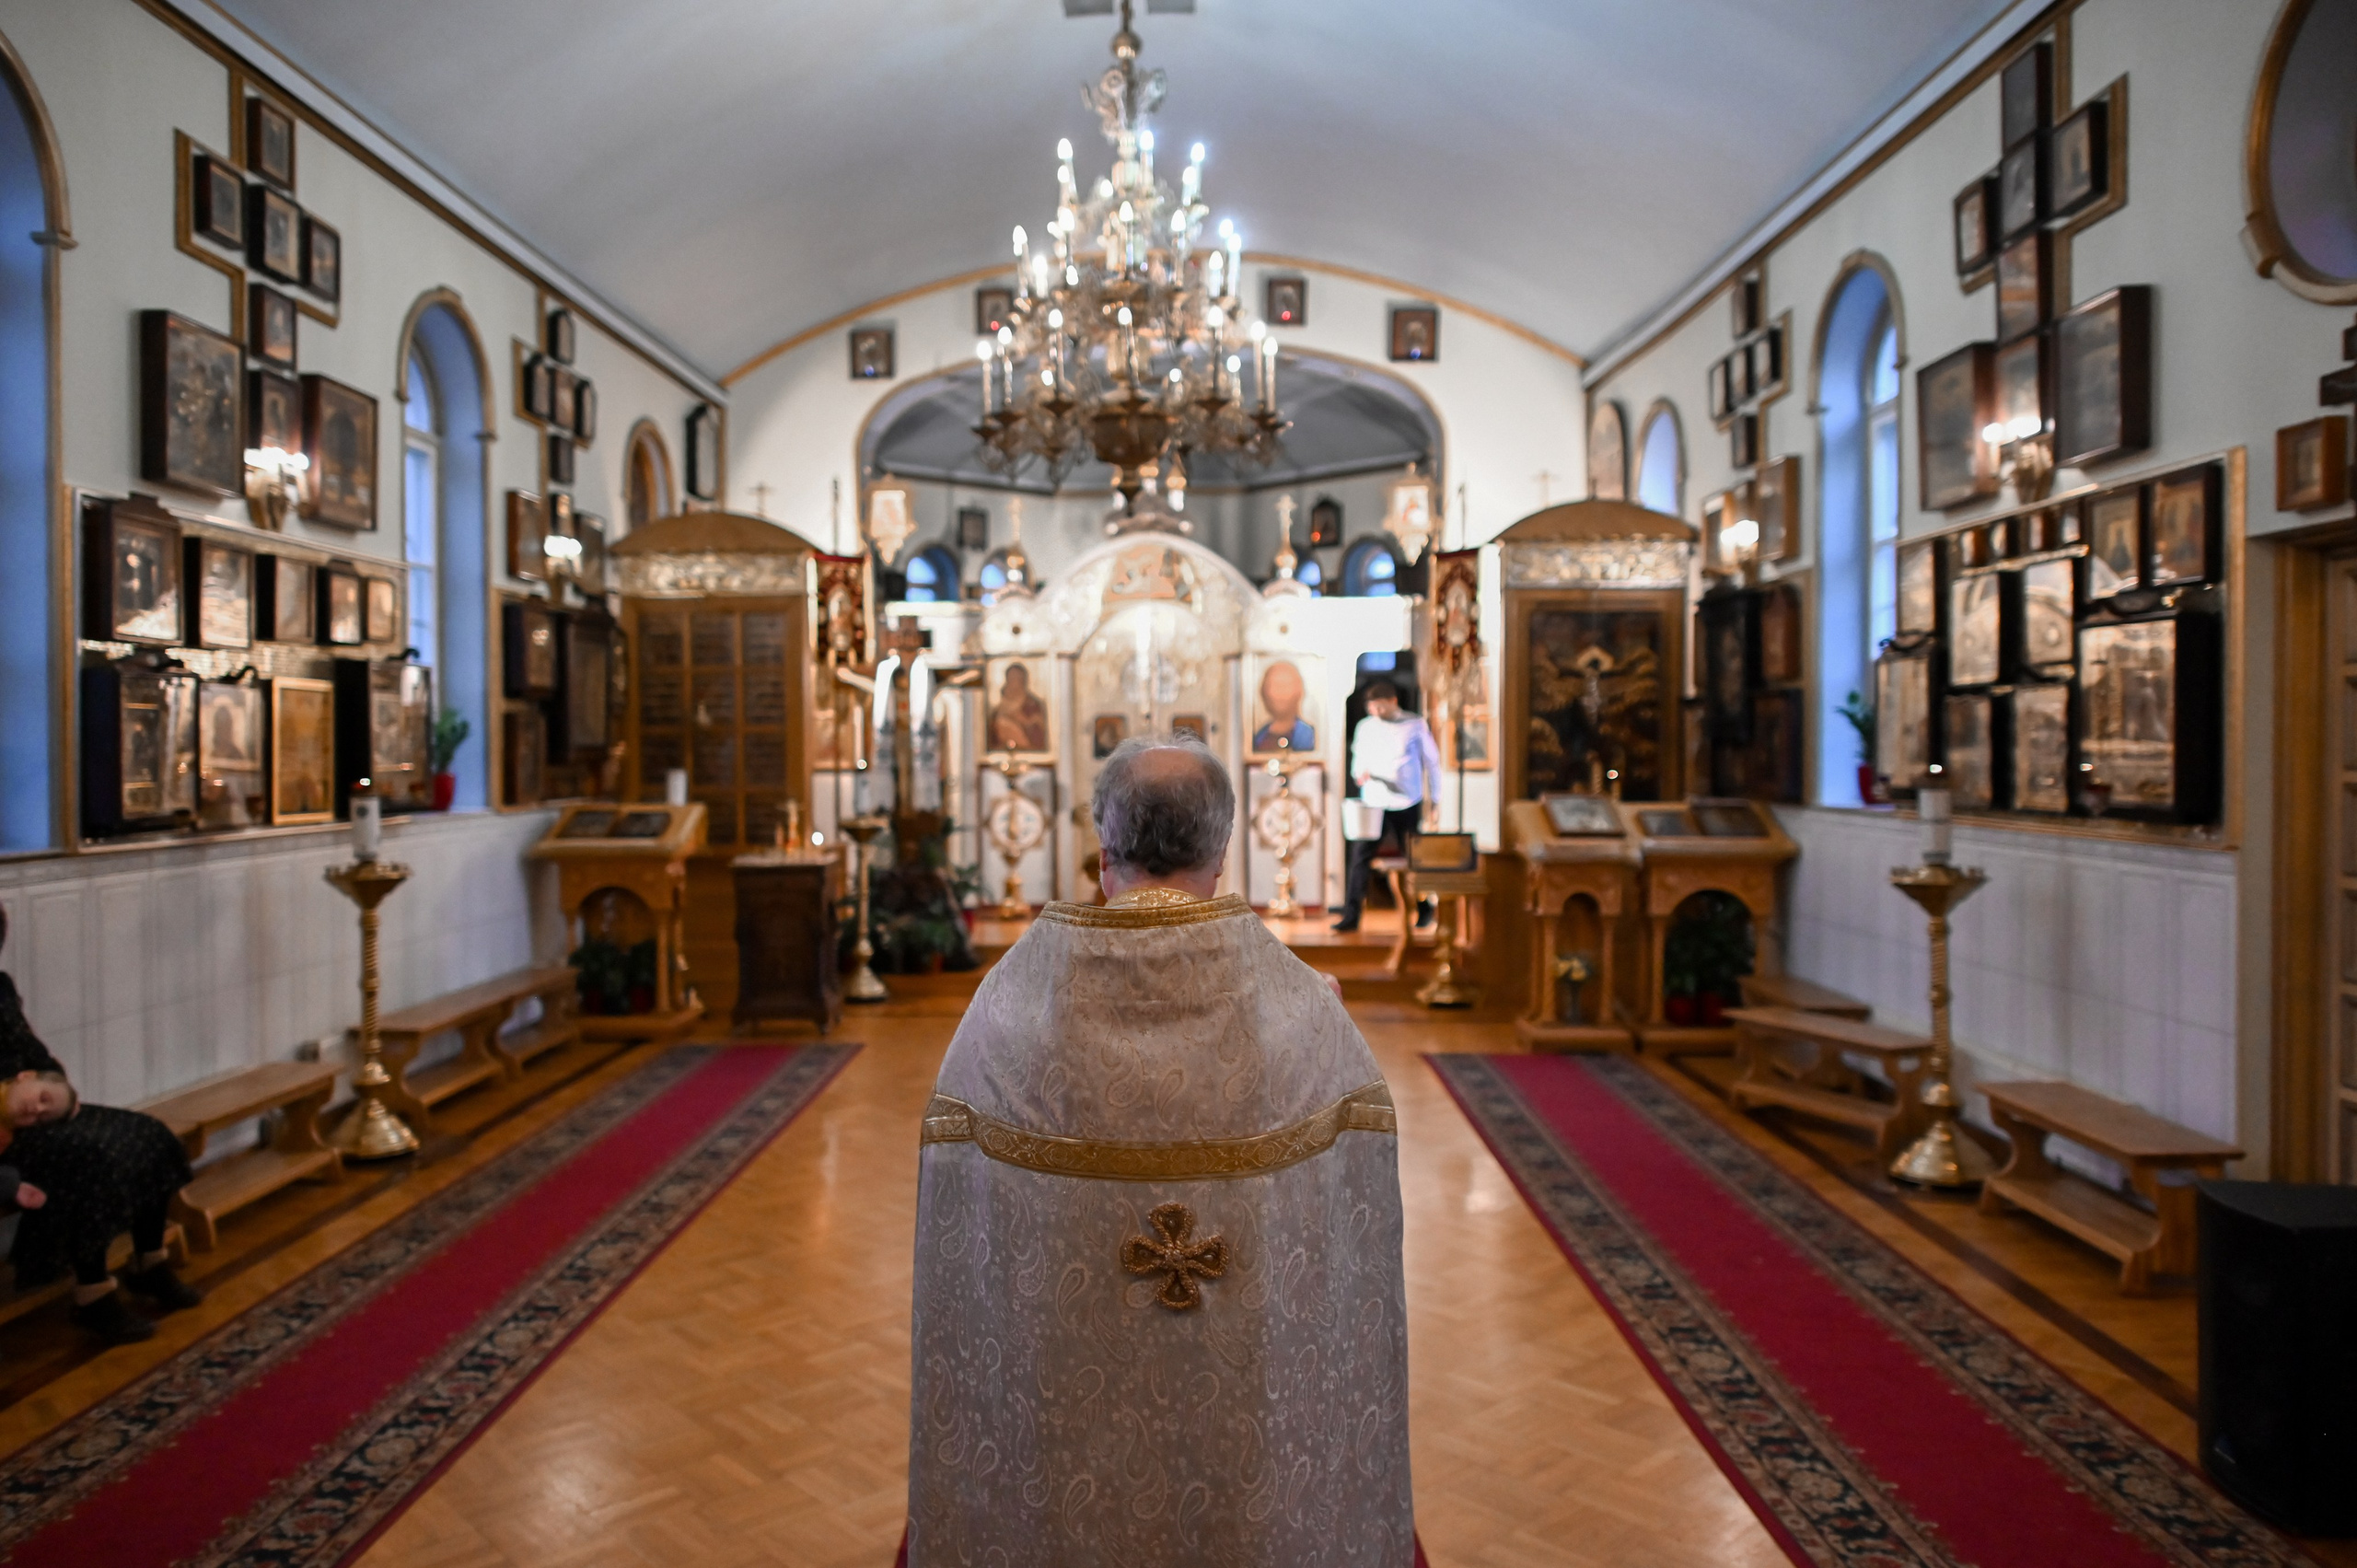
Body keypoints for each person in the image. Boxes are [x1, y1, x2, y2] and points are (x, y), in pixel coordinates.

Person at [906, 733, 1413, 1566]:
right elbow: (1345, 1183)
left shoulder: (1012, 1004)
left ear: (1104, 848)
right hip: (1245, 1407)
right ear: (1222, 849)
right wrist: (1319, 1017)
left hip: (1067, 1399)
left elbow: (965, 1189)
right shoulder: (1299, 1009)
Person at [0, 911, 202, 1345]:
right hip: (6, 1129)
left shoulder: (0, 987)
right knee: (91, 1155)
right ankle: (93, 1293)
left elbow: (36, 1054)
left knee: (146, 1133)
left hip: (35, 1106)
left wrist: (56, 1093)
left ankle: (149, 1261)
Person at [1332, 679, 1441, 933]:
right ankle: (1352, 915)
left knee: (1414, 857)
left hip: (1407, 801)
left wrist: (1435, 799)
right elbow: (1358, 759)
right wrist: (1359, 774)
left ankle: (1424, 908)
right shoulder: (1365, 727)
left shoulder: (1415, 725)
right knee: (1360, 858)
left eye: (1380, 707)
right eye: (1372, 708)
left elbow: (1432, 763)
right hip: (1375, 801)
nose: (1376, 712)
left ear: (1393, 702)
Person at [1250, 658, 1315, 754]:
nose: (1280, 694)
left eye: (1285, 686)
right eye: (1274, 686)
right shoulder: (1259, 738)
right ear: (1264, 692)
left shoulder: (1309, 736)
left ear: (1299, 691)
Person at [986, 661, 1050, 753]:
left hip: (1029, 752)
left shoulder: (1033, 705)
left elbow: (1039, 731)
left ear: (1023, 680)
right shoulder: (998, 709)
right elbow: (991, 736)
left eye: (1018, 678)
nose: (1014, 682)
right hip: (1002, 753)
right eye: (1011, 678)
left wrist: (1024, 721)